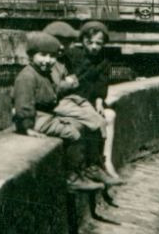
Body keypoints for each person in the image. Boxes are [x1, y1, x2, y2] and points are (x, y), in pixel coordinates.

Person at [12, 31, 103, 192]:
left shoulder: (43, 73)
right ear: (31, 55)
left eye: (52, 56)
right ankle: (71, 178)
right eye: (43, 55)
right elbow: (24, 105)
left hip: (45, 115)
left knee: (79, 125)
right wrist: (27, 128)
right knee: (73, 134)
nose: (48, 60)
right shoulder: (27, 76)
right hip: (36, 119)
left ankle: (81, 171)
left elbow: (52, 92)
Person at [77, 20, 120, 180]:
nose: (94, 47)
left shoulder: (104, 62)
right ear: (82, 41)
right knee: (93, 121)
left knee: (109, 116)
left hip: (91, 101)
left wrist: (99, 101)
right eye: (90, 42)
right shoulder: (75, 58)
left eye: (98, 43)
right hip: (76, 101)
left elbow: (101, 85)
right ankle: (92, 164)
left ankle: (107, 161)